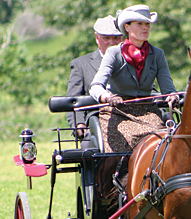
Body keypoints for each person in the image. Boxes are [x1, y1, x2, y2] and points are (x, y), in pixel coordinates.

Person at [89, 4, 179, 153]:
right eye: (140, 24)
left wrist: (172, 96)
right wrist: (107, 97)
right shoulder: (114, 53)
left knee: (163, 142)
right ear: (127, 27)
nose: (145, 28)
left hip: (148, 111)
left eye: (147, 24)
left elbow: (168, 88)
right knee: (119, 149)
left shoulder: (158, 54)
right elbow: (96, 86)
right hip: (118, 111)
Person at [66, 16, 123, 146]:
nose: (111, 42)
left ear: (123, 39)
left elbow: (149, 90)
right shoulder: (81, 64)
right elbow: (73, 99)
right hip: (97, 122)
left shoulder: (133, 62)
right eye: (106, 38)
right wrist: (79, 123)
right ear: (97, 38)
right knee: (88, 149)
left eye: (116, 38)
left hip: (131, 116)